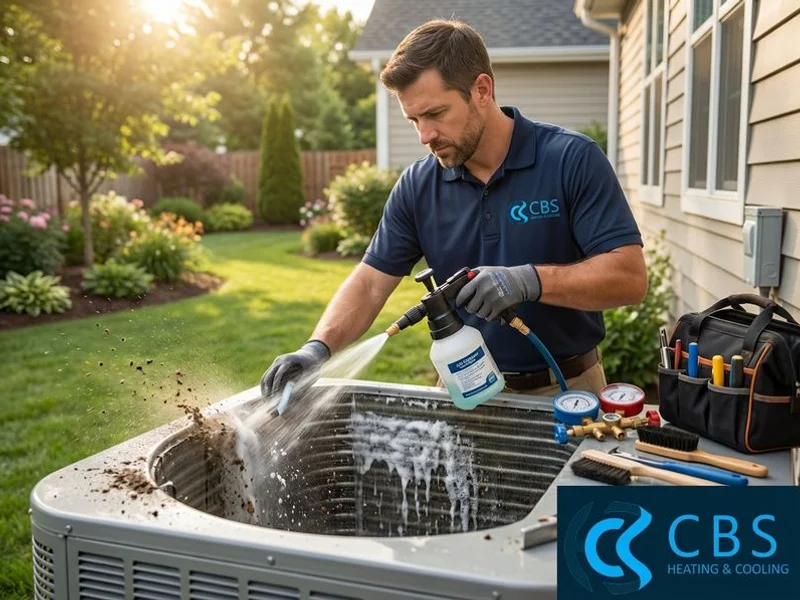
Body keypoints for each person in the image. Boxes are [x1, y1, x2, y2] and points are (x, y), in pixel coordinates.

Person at [261, 18, 647, 401]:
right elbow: (368, 283)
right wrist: (317, 348)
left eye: (435, 114)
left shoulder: (570, 159)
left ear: (482, 89)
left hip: (567, 391)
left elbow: (629, 277)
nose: (424, 136)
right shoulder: (418, 186)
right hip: (461, 389)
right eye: (414, 120)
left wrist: (528, 280)